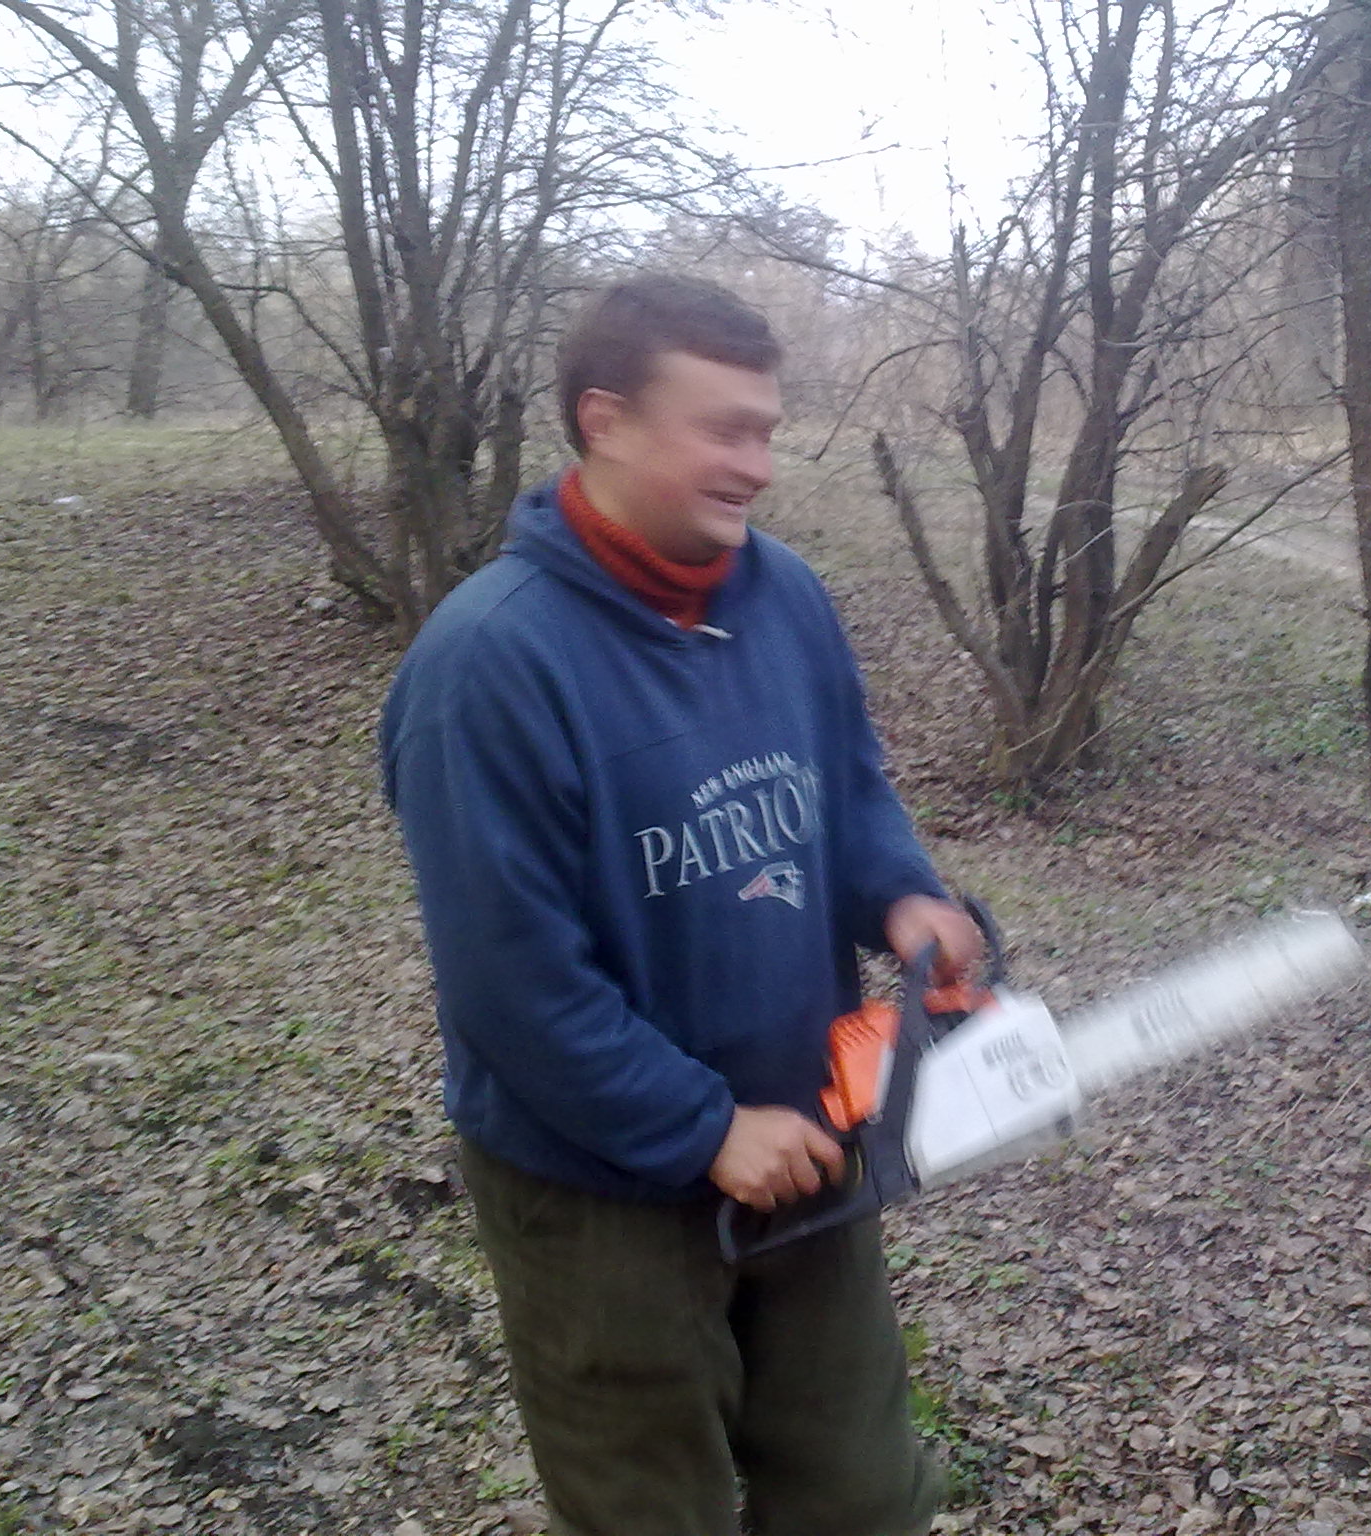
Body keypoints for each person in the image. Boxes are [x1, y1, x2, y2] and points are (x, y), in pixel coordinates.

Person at [379, 272, 981, 1536]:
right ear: (604, 420)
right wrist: (701, 1128)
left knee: (864, 1497)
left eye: (765, 430)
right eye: (724, 430)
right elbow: (510, 984)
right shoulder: (489, 663)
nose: (756, 466)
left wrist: (903, 898)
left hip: (808, 1139)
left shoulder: (784, 595)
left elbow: (845, 787)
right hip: (597, 1185)